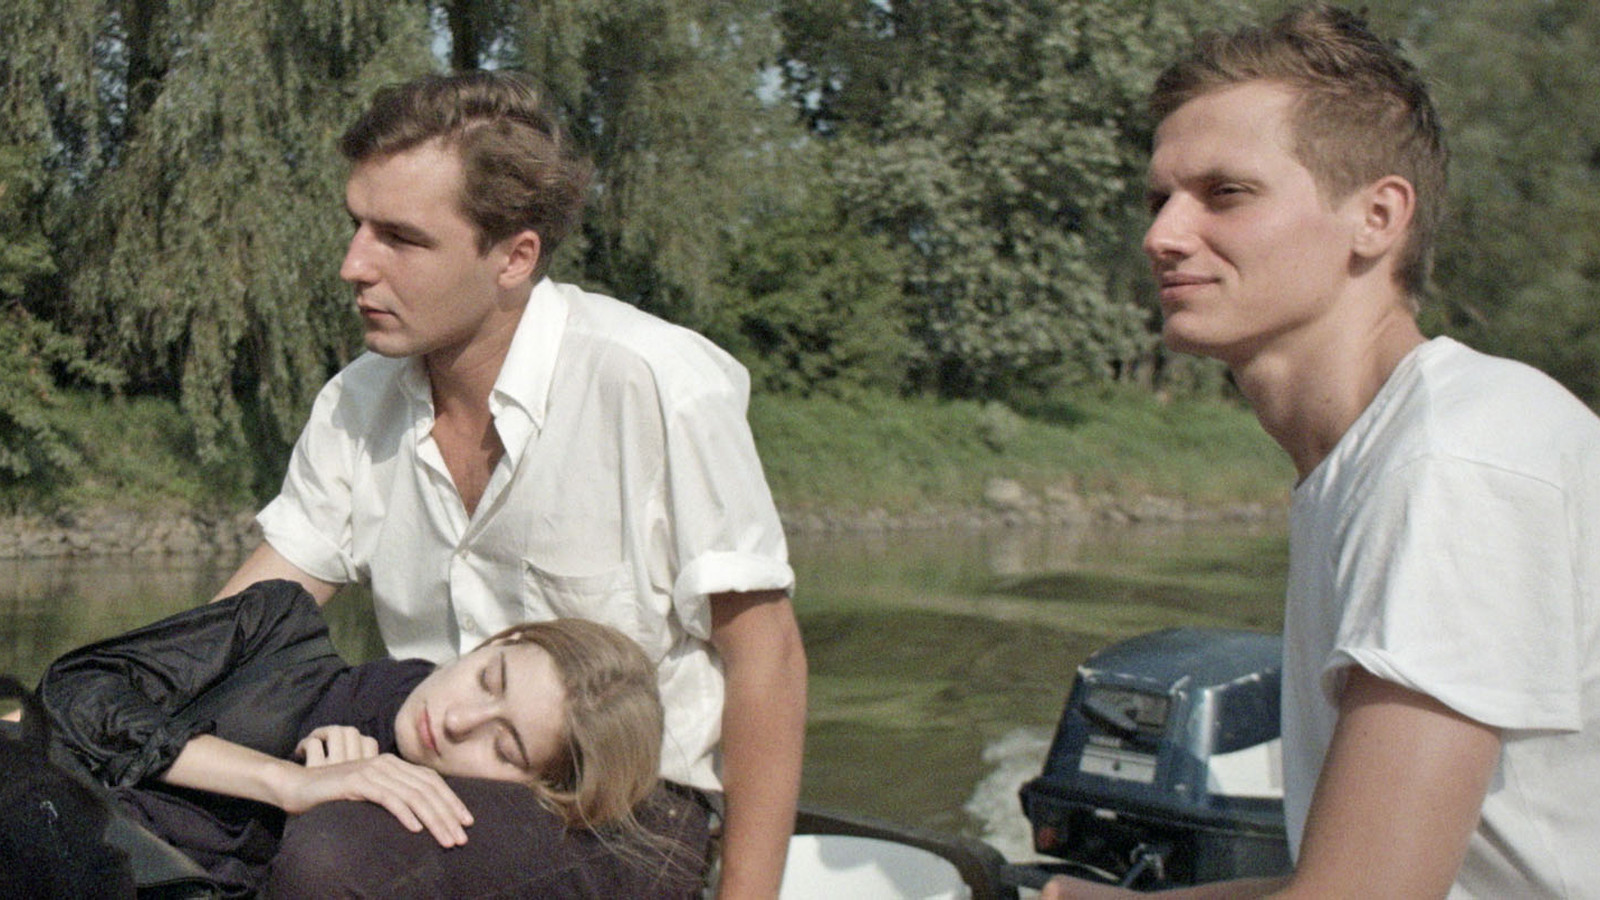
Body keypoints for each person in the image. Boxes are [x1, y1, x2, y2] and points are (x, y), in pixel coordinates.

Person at [1043, 4, 1600, 898]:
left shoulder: (1454, 462)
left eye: (1226, 193)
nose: (1162, 236)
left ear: (1376, 216)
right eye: (1159, 200)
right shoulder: (1371, 458)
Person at [211, 69, 806, 897]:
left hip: (624, 811)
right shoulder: (357, 403)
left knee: (336, 853)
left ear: (514, 257)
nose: (353, 265)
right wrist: (102, 713)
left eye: (401, 238)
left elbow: (767, 662)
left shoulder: (656, 383)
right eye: (356, 226)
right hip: (425, 763)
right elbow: (232, 633)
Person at [27, 578, 700, 897]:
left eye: (504, 748)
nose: (459, 721)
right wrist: (287, 783)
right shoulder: (279, 628)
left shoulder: (391, 835)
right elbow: (76, 690)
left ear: (527, 789)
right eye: (488, 680)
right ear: (500, 639)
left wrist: (309, 820)